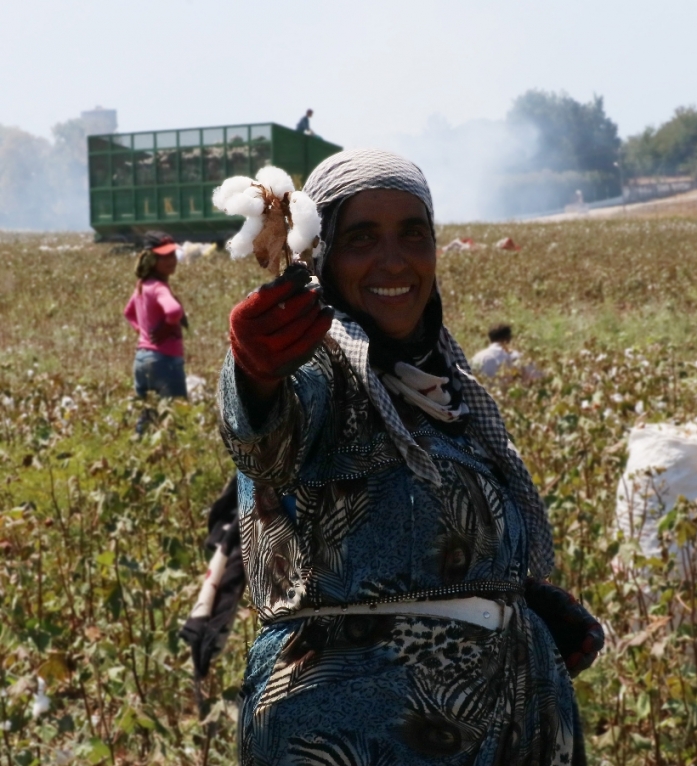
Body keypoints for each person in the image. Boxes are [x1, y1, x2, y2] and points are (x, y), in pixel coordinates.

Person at [219, 149, 601, 764]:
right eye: (362, 237)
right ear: (323, 254)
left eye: (412, 234)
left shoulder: (440, 384)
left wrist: (514, 601)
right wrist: (256, 376)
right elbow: (265, 438)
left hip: (493, 720)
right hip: (354, 731)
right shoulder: (317, 362)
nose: (393, 260)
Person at [124, 231, 188, 432]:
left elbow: (128, 313)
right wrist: (168, 326)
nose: (172, 260)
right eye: (164, 257)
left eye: (173, 255)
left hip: (142, 361)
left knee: (148, 415)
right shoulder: (159, 287)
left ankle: (139, 450)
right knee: (176, 414)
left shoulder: (142, 285)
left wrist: (143, 332)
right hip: (164, 361)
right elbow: (174, 310)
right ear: (152, 259)